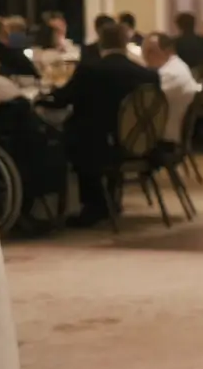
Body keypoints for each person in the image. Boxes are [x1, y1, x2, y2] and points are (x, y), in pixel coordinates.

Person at [41, 21, 159, 227]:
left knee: (73, 136)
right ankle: (112, 200)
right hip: (141, 144)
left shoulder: (90, 71)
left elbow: (63, 99)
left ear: (100, 43)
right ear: (126, 42)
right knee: (94, 132)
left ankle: (93, 205)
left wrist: (42, 98)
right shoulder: (148, 75)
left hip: (100, 146)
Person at [142, 33, 201, 145]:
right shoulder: (177, 66)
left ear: (167, 51)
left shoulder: (170, 74)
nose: (145, 56)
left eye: (151, 51)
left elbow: (147, 102)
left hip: (163, 136)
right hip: (166, 129)